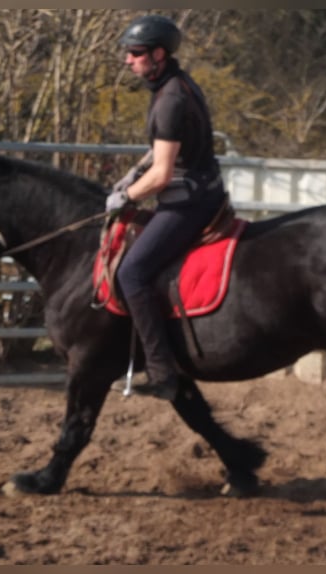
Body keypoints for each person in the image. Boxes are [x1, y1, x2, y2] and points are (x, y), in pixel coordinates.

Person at [105, 14, 227, 401]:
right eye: (128, 53)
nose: (129, 61)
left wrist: (126, 196)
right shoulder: (176, 85)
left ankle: (162, 370)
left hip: (188, 203)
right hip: (203, 191)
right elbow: (160, 148)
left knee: (132, 273)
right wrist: (131, 173)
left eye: (136, 53)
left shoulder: (170, 99)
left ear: (158, 54)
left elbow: (162, 175)